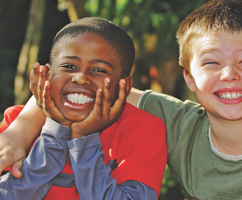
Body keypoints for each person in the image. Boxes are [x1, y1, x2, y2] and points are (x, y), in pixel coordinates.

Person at [1, 0, 242, 199]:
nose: (229, 74)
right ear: (189, 79)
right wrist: (21, 129)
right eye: (211, 63)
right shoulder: (174, 120)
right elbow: (80, 91)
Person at [0, 17, 167, 200]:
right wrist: (55, 133)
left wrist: (83, 140)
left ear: (124, 86)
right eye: (69, 66)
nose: (80, 78)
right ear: (48, 74)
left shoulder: (144, 130)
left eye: (99, 70)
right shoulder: (18, 123)